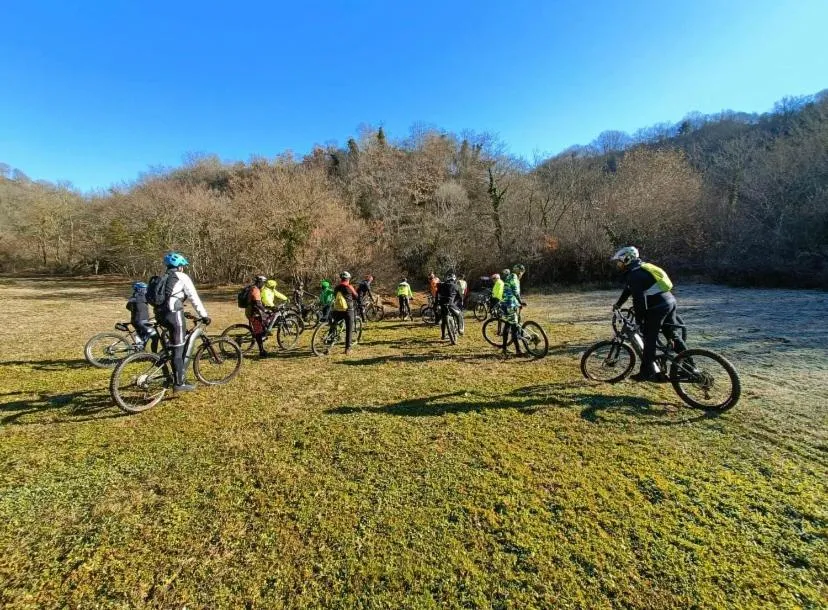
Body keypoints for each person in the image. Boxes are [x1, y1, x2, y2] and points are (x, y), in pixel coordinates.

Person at [611, 246, 687, 381]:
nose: (618, 264)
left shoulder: (634, 274)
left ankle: (647, 372)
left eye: (619, 261)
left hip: (658, 306)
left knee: (649, 339)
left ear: (627, 259)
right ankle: (690, 366)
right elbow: (629, 289)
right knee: (672, 334)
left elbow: (639, 300)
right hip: (669, 301)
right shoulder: (640, 268)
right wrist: (618, 304)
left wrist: (639, 321)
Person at [157, 252, 210, 392]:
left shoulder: (164, 277)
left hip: (160, 315)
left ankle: (166, 364)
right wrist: (204, 315)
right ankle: (179, 384)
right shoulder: (182, 277)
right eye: (183, 266)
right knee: (178, 350)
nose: (183, 268)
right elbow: (194, 297)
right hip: (174, 315)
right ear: (180, 266)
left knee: (174, 344)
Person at [500, 264, 526, 356]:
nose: (521, 275)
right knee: (514, 328)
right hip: (510, 304)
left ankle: (504, 349)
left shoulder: (509, 277)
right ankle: (518, 351)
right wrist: (520, 302)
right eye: (522, 273)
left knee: (507, 325)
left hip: (505, 304)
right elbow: (515, 291)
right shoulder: (514, 277)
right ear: (519, 272)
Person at [331, 271, 359, 354]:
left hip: (337, 309)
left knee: (334, 324)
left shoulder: (337, 287)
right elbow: (356, 296)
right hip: (348, 310)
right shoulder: (349, 287)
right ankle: (348, 349)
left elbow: (334, 295)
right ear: (348, 279)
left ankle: (330, 338)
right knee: (349, 329)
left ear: (341, 278)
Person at [126, 281, 156, 350]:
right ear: (140, 290)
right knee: (155, 336)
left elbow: (127, 307)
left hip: (135, 321)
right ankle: (155, 355)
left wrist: (136, 311)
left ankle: (139, 352)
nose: (146, 291)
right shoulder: (142, 297)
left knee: (141, 338)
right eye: (145, 289)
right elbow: (154, 301)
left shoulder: (133, 297)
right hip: (142, 321)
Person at [246, 275, 271, 358]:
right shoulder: (255, 290)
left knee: (263, 325)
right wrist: (265, 310)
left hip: (251, 311)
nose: (263, 285)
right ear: (259, 282)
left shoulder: (253, 288)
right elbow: (258, 304)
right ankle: (261, 351)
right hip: (253, 313)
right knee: (258, 332)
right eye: (263, 283)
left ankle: (263, 334)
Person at [437, 272, 464, 339]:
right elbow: (461, 297)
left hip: (442, 305)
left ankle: (443, 335)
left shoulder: (441, 285)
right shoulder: (456, 286)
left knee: (443, 320)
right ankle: (460, 329)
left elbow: (438, 294)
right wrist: (459, 302)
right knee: (459, 314)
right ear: (454, 279)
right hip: (451, 304)